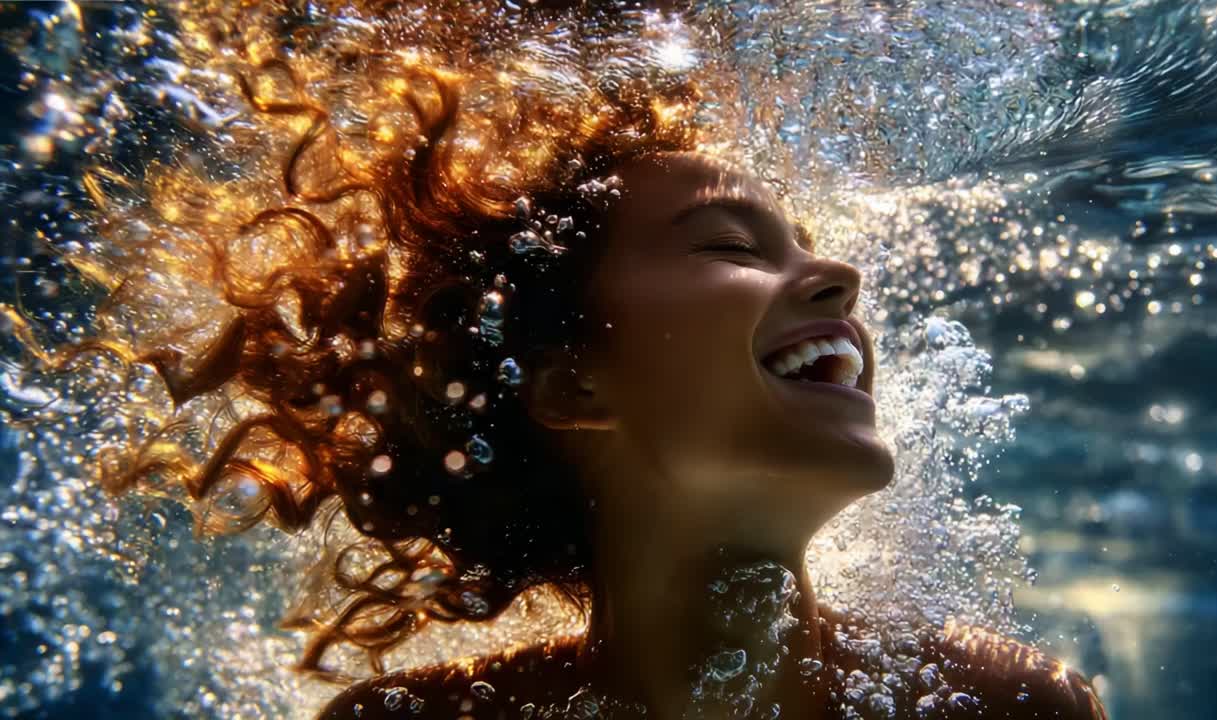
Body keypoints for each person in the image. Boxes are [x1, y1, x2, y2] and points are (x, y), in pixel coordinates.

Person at [71, 30, 1106, 720]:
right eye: (729, 247)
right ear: (572, 386)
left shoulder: (1018, 708)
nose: (835, 274)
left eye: (806, 245)